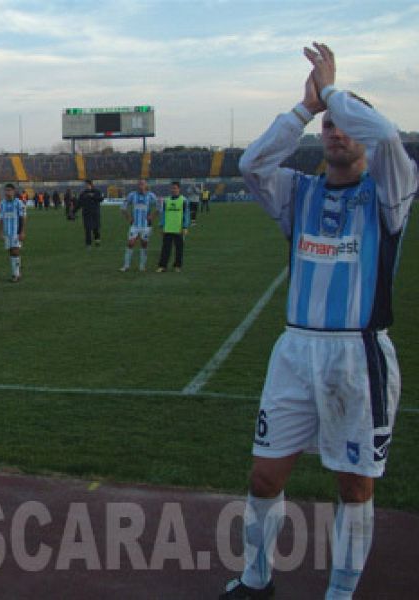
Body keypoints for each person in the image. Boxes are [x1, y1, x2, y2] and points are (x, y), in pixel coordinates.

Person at [221, 43, 417, 600]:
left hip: (357, 356)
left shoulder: (389, 193)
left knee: (354, 486)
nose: (336, 131)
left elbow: (387, 136)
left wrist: (332, 91)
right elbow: (251, 165)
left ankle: (340, 593)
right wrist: (306, 109)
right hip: (295, 352)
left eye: (345, 123)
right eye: (328, 125)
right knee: (264, 476)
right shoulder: (298, 193)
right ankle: (256, 579)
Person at [119, 179, 157, 271]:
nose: (141, 186)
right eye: (139, 184)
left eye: (142, 184)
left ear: (146, 185)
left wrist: (152, 216)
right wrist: (129, 217)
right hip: (135, 225)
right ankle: (126, 266)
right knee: (130, 243)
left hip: (146, 226)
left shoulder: (151, 195)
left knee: (144, 244)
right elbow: (123, 207)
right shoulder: (132, 195)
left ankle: (142, 266)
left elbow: (160, 206)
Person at [155, 181, 190, 273]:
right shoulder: (166, 200)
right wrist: (162, 225)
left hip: (179, 228)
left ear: (179, 189)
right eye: (172, 188)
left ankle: (177, 266)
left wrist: (185, 227)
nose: (173, 190)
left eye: (175, 188)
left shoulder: (184, 200)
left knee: (179, 249)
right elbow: (163, 214)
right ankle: (162, 266)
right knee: (165, 248)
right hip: (168, 228)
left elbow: (186, 214)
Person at [0, 182, 27, 282]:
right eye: (6, 190)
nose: (7, 192)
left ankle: (16, 274)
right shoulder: (2, 203)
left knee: (15, 251)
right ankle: (16, 272)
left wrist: (22, 232)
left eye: (9, 190)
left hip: (16, 232)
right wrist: (0, 232)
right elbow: (0, 219)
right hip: (7, 232)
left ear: (14, 191)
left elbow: (23, 217)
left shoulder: (19, 203)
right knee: (11, 252)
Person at [75, 179, 104, 248]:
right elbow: (79, 203)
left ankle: (97, 242)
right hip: (86, 214)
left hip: (95, 213)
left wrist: (93, 196)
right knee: (87, 229)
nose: (86, 186)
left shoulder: (97, 192)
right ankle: (88, 244)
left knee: (96, 229)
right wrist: (73, 211)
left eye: (87, 184)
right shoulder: (83, 193)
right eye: (85, 185)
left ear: (91, 184)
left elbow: (101, 199)